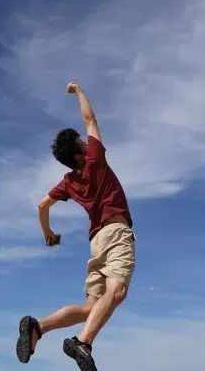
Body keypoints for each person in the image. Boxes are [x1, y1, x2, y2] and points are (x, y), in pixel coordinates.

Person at [15, 81, 136, 371]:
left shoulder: (68, 182)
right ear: (81, 153)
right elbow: (90, 119)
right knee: (117, 292)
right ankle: (83, 343)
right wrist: (79, 91)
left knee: (91, 308)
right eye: (82, 141)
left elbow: (42, 205)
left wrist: (48, 233)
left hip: (96, 243)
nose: (86, 140)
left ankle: (37, 327)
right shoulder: (95, 159)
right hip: (117, 233)